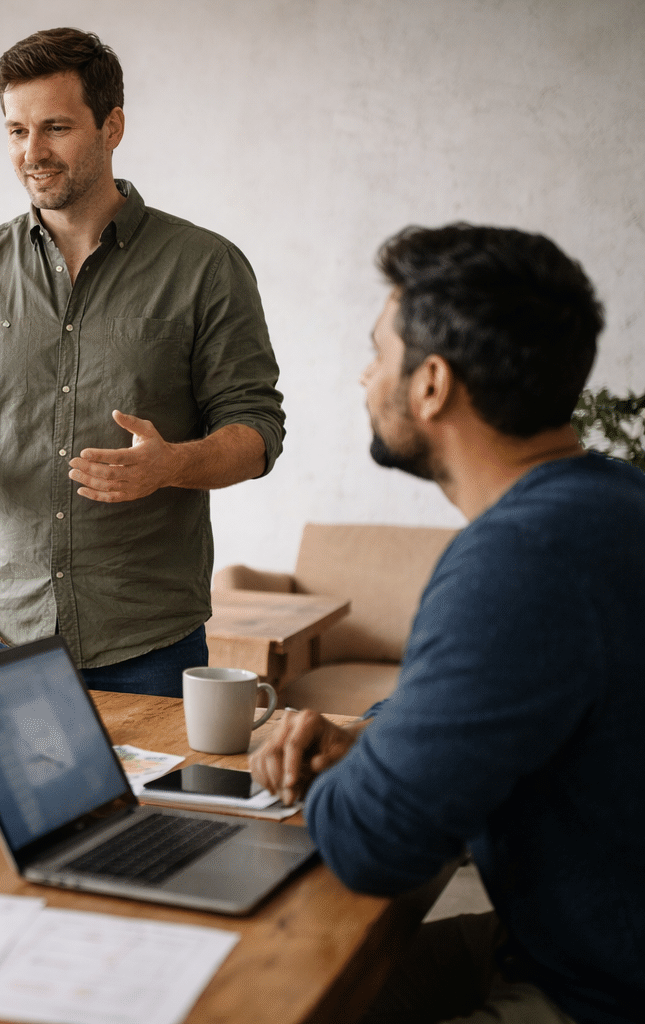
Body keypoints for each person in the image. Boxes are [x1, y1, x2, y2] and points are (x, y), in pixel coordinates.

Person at [251, 224, 642, 1024]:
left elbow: (371, 844)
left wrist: (339, 776)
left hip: (595, 994)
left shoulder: (521, 560)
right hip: (572, 940)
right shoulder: (612, 497)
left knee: (264, 992)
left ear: (430, 384)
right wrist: (375, 739)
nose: (366, 375)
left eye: (379, 352)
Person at [0, 27, 284, 697]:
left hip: (148, 638)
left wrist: (173, 466)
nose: (32, 153)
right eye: (16, 131)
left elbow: (257, 432)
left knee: (153, 807)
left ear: (112, 126)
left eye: (55, 127)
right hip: (3, 631)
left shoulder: (205, 266)